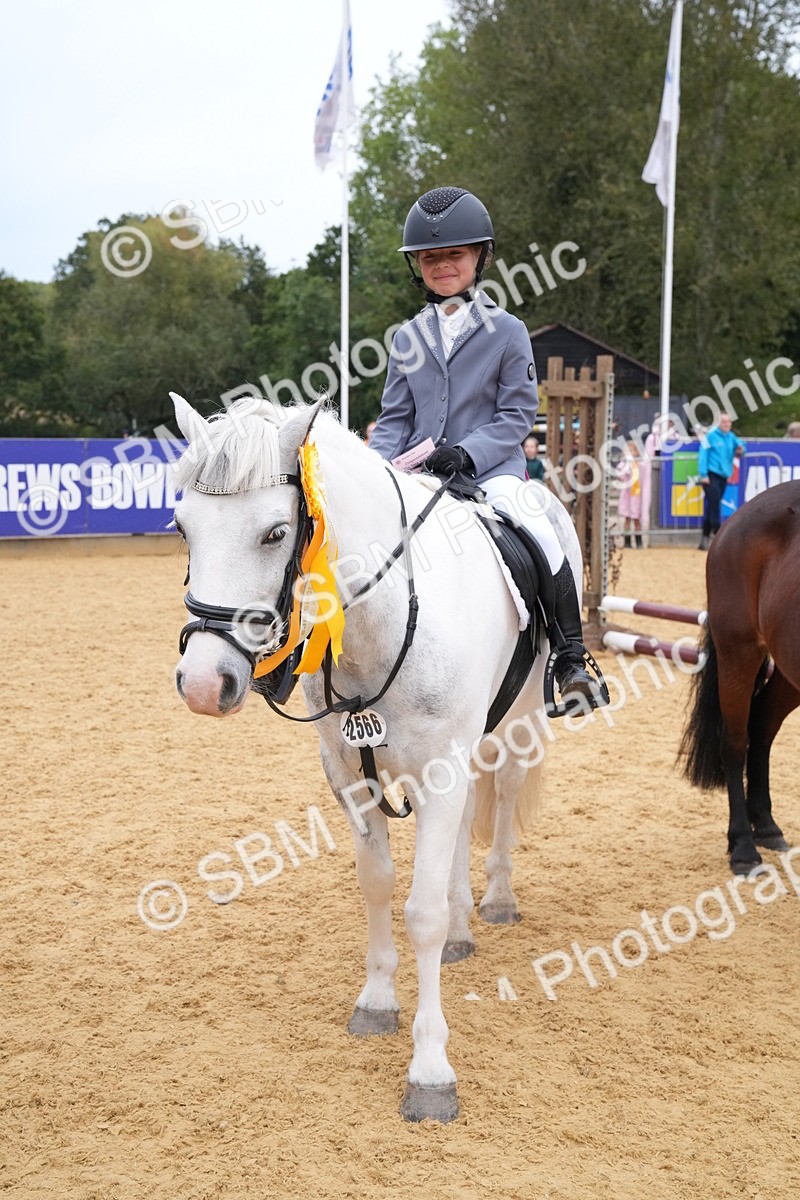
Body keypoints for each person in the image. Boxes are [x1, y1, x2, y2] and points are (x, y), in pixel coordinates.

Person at [367, 185, 602, 711]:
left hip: (490, 472)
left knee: (537, 524)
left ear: (480, 257)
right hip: (420, 475)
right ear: (417, 266)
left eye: (454, 254)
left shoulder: (509, 331)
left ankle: (569, 658)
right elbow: (394, 421)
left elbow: (516, 415)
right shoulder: (406, 338)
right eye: (430, 257)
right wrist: (374, 471)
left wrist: (468, 454)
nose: (442, 265)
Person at [697, 413, 745, 550]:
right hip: (711, 475)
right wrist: (703, 474)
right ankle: (718, 534)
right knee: (714, 505)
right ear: (719, 423)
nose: (727, 424)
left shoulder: (731, 437)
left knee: (711, 506)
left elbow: (741, 445)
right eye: (724, 422)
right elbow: (703, 455)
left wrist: (741, 448)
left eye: (729, 422)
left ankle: (704, 538)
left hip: (723, 476)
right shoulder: (710, 436)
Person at [616, 440, 643, 548]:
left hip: (636, 495)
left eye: (633, 450)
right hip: (627, 495)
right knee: (627, 519)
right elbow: (621, 476)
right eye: (628, 451)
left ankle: (638, 541)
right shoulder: (624, 464)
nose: (631, 453)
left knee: (636, 519)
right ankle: (627, 542)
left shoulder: (640, 464)